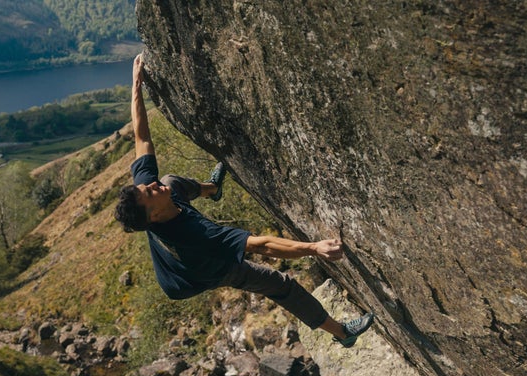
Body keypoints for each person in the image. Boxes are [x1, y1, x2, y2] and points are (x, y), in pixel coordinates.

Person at [114, 54, 374, 348]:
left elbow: (141, 138)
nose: (150, 185)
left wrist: (136, 86)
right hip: (192, 276)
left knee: (172, 181)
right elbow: (261, 245)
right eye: (149, 193)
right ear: (153, 217)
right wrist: (314, 248)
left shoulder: (152, 194)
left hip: (179, 254)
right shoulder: (197, 235)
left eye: (145, 186)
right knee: (280, 284)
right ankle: (343, 333)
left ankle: (212, 188)